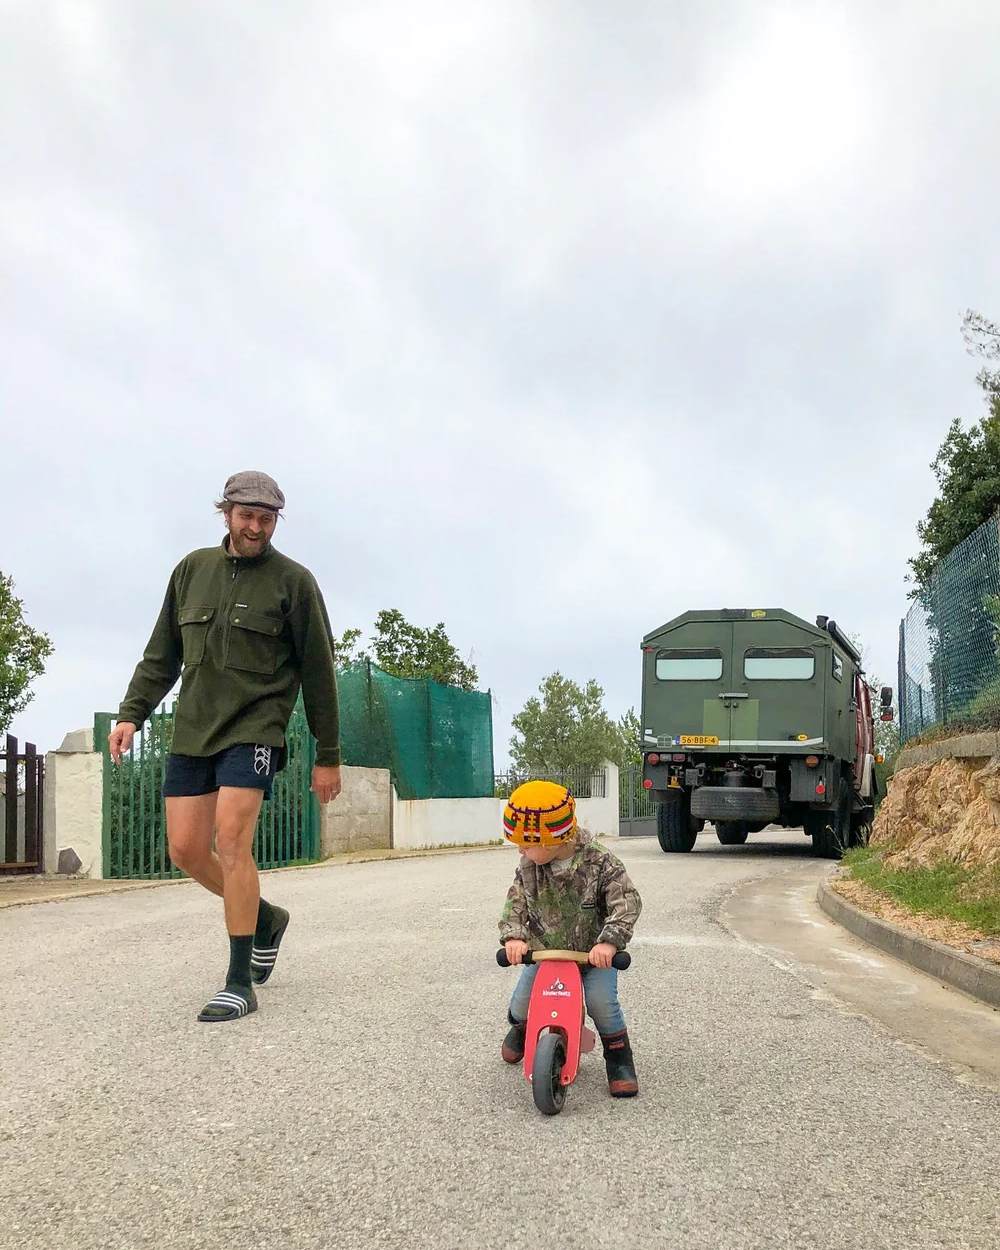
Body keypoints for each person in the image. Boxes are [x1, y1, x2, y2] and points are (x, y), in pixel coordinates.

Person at [108, 471, 343, 1023]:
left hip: (255, 727)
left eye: (266, 518)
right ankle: (263, 918)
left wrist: (327, 755)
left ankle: (239, 980)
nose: (256, 526)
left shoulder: (294, 582)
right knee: (186, 850)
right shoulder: (192, 570)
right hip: (193, 730)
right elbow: (161, 653)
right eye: (247, 515)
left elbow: (319, 672)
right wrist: (131, 714)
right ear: (227, 513)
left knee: (232, 839)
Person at [497, 779, 642, 1097]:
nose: (520, 850)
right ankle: (522, 1028)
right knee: (522, 1002)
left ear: (552, 839)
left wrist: (609, 942)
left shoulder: (601, 863)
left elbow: (627, 902)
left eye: (525, 843)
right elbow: (515, 903)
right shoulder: (529, 867)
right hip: (547, 954)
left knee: (602, 1002)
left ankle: (619, 1057)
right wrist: (514, 938)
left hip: (592, 957)